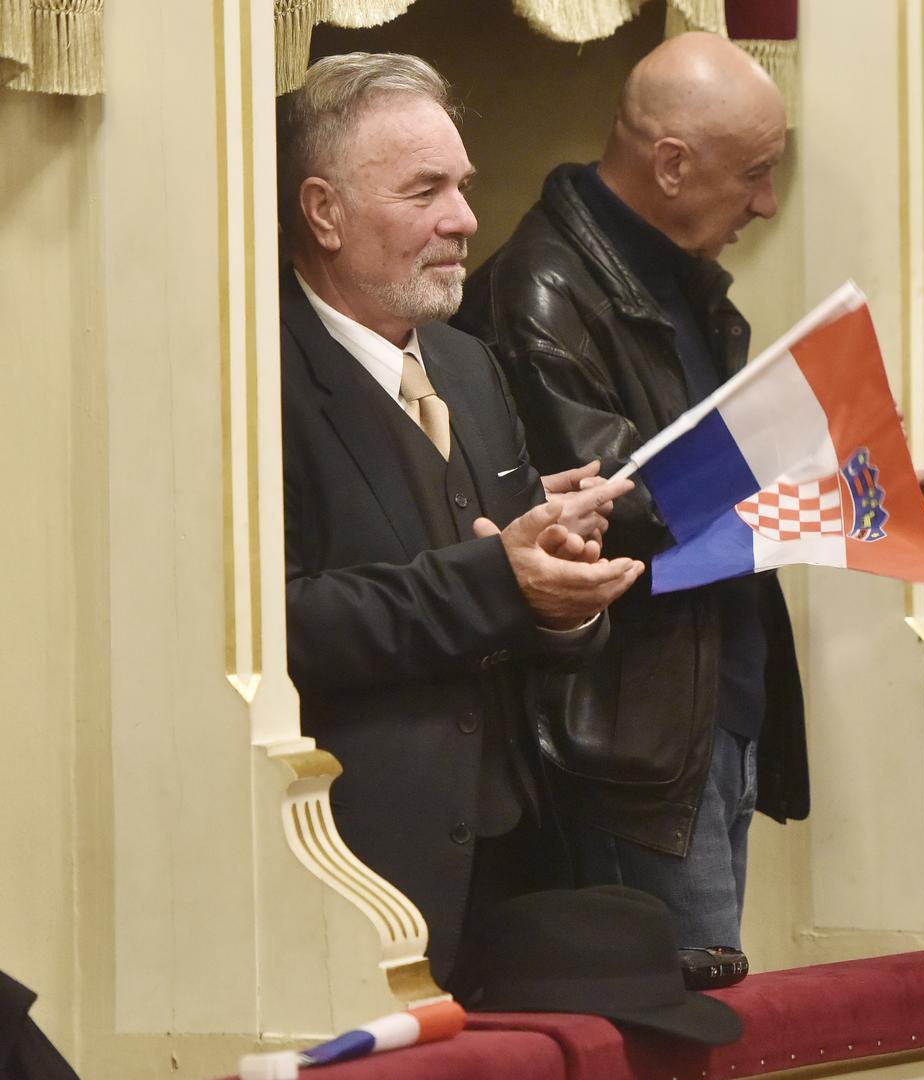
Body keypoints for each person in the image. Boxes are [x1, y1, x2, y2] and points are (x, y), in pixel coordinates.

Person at [453, 32, 924, 952]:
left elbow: (698, 492)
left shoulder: (679, 276)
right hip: (624, 745)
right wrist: (821, 480)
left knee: (716, 1009)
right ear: (673, 163)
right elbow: (617, 506)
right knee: (678, 1030)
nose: (767, 205)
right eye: (756, 175)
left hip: (699, 720)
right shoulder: (535, 291)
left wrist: (846, 489)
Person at [277, 51, 643, 989]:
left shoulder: (469, 367)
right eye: (425, 191)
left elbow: (516, 598)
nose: (465, 220)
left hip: (517, 864)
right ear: (324, 212)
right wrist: (499, 580)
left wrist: (564, 600)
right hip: (346, 874)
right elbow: (271, 623)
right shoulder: (255, 375)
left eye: (463, 187)